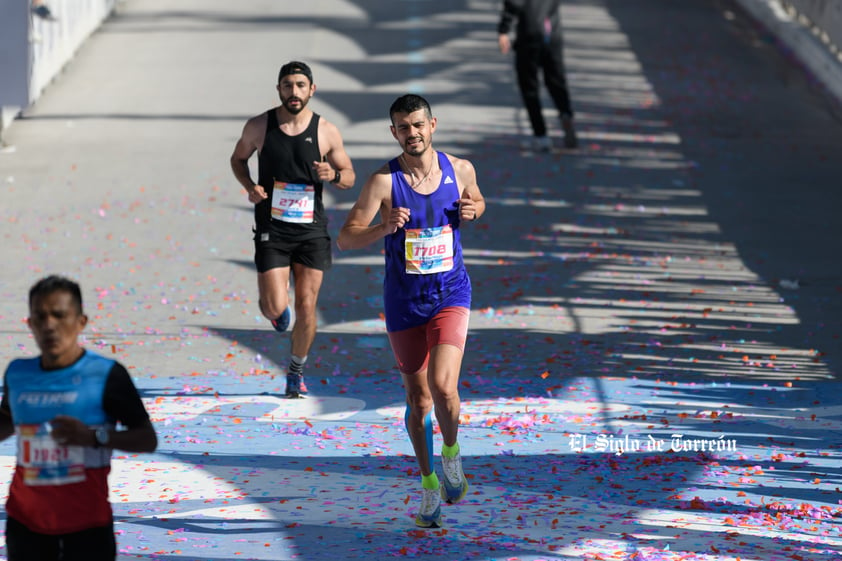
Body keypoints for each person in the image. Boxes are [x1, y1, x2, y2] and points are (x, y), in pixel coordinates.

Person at [338, 94, 485, 528]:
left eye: (418, 125)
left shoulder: (460, 170)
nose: (412, 133)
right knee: (417, 398)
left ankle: (452, 455)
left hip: (450, 293)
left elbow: (477, 201)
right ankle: (428, 484)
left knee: (443, 388)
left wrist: (475, 209)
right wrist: (383, 227)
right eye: (403, 127)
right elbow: (346, 237)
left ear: (433, 125)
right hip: (403, 302)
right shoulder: (383, 182)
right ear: (394, 133)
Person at [0, 275, 158, 561]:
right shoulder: (18, 374)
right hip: (25, 523)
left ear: (80, 322)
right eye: (40, 317)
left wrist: (93, 437)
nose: (49, 325)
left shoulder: (106, 375)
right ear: (30, 324)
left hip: (87, 528)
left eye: (59, 316)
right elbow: (7, 420)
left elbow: (147, 438)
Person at [230, 61, 355, 398]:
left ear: (312, 90)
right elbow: (237, 159)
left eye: (301, 85)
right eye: (288, 85)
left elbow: (349, 175)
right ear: (279, 90)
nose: (294, 92)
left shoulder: (326, 130)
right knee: (273, 305)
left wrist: (334, 176)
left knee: (307, 304)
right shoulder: (259, 126)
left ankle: (296, 370)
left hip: (312, 230)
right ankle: (275, 313)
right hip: (273, 227)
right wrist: (250, 185)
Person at [498, 0, 578, 151]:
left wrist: (503, 30)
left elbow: (514, 3)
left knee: (529, 87)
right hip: (552, 33)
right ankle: (565, 113)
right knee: (556, 81)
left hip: (529, 34)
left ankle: (541, 136)